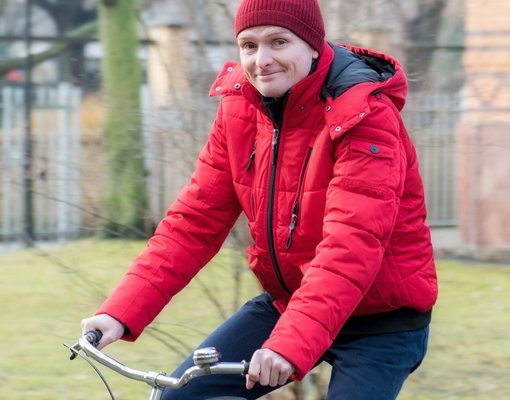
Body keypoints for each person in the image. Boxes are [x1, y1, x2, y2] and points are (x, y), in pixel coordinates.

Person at [80, 0, 438, 398]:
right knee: (180, 395)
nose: (261, 60)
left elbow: (350, 247)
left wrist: (289, 344)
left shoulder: (364, 116)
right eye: (248, 45)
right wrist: (119, 311)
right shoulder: (240, 107)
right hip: (292, 302)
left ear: (313, 45)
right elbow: (193, 223)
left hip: (381, 318)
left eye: (278, 42)